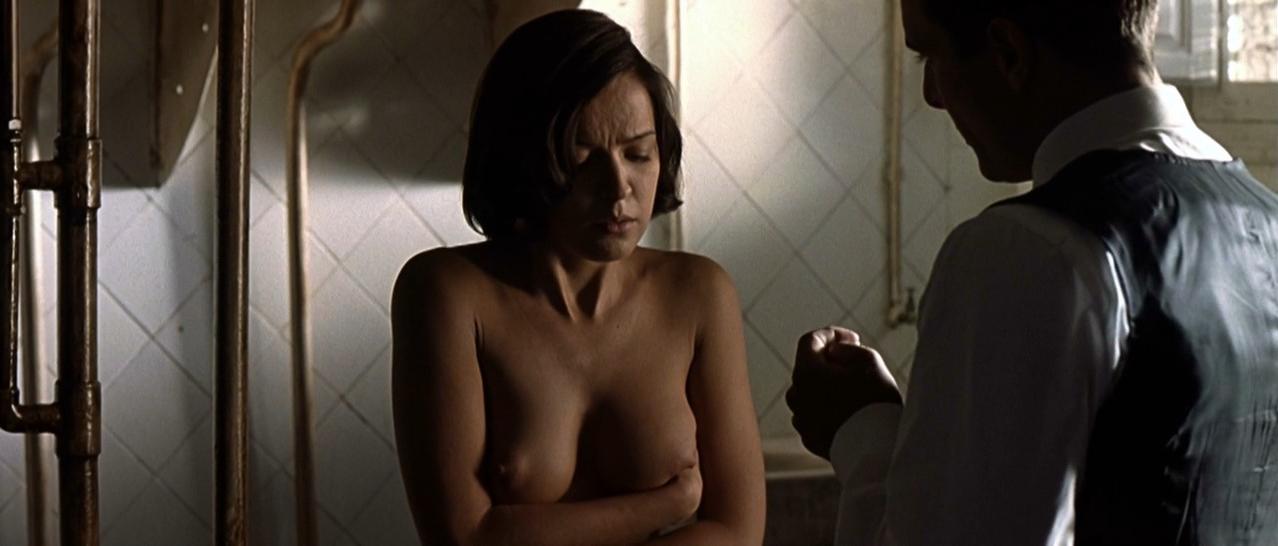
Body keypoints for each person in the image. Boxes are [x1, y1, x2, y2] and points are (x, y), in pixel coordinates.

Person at [786, 0, 1278, 544]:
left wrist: (862, 430)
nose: (932, 95)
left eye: (931, 56)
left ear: (1008, 52)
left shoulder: (1027, 250)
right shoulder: (1266, 221)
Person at [390, 10, 765, 545]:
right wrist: (665, 504)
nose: (619, 188)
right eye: (582, 158)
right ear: (522, 159)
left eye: (638, 154)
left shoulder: (699, 293)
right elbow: (465, 537)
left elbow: (737, 532)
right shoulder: (446, 294)